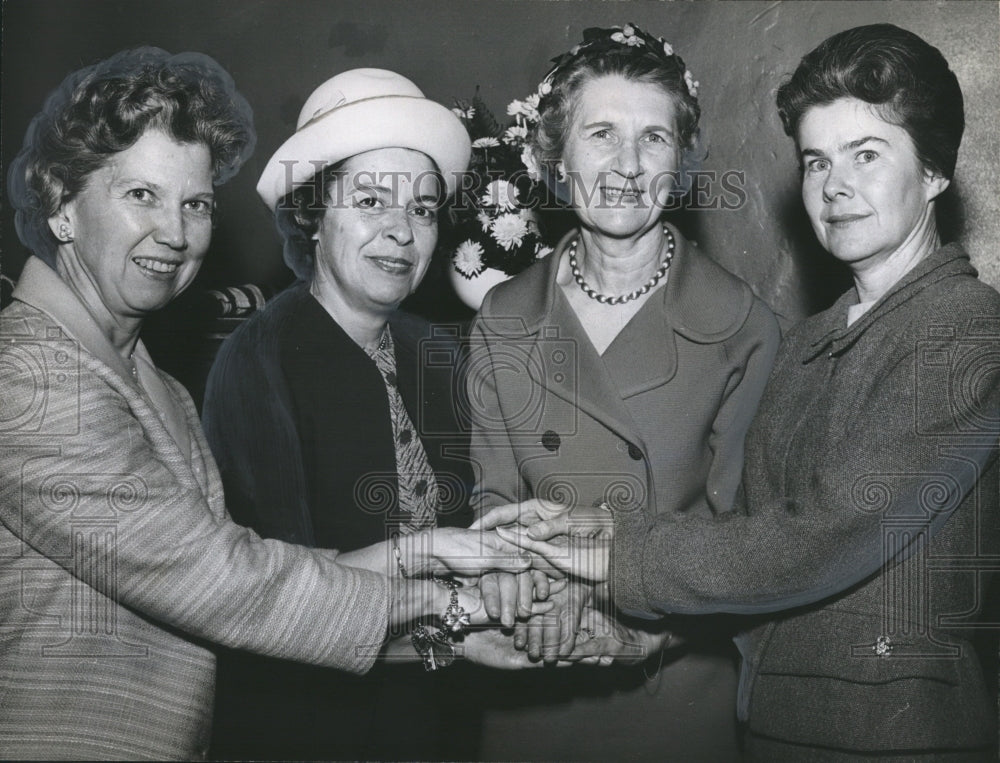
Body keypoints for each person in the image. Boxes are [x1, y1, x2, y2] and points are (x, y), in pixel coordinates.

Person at [0, 48, 540, 761]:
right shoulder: (29, 376)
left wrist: (426, 549)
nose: (175, 232)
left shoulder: (149, 380)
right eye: (141, 195)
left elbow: (252, 560)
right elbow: (221, 580)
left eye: (195, 203)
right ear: (61, 205)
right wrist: (452, 606)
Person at [488, 24, 1000, 760]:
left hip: (891, 737)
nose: (837, 186)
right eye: (817, 160)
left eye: (868, 155)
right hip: (773, 726)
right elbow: (747, 541)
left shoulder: (964, 328)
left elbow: (825, 533)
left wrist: (614, 547)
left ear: (935, 174)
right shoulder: (807, 339)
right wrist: (635, 633)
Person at [466, 23, 781, 761]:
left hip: (670, 689)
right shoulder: (504, 316)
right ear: (556, 155)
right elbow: (491, 502)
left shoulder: (742, 327)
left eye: (655, 138)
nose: (627, 165)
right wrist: (528, 587)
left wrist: (634, 623)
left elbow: (748, 544)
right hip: (534, 674)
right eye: (601, 133)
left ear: (682, 160)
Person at [200, 67, 496, 760]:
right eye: (371, 200)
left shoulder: (436, 352)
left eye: (423, 210)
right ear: (312, 214)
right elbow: (277, 594)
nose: (401, 231)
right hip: (315, 725)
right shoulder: (258, 358)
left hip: (437, 715)